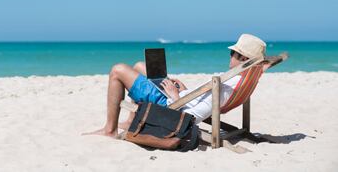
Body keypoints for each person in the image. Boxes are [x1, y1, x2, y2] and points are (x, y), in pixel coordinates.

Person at [83, 34, 268, 138]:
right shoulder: (241, 78)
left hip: (171, 106)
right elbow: (203, 101)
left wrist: (174, 96)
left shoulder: (225, 86)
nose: (230, 56)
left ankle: (110, 130)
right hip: (183, 97)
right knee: (141, 66)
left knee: (118, 70)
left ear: (244, 59)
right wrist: (183, 89)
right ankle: (132, 120)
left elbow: (191, 117)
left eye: (233, 53)